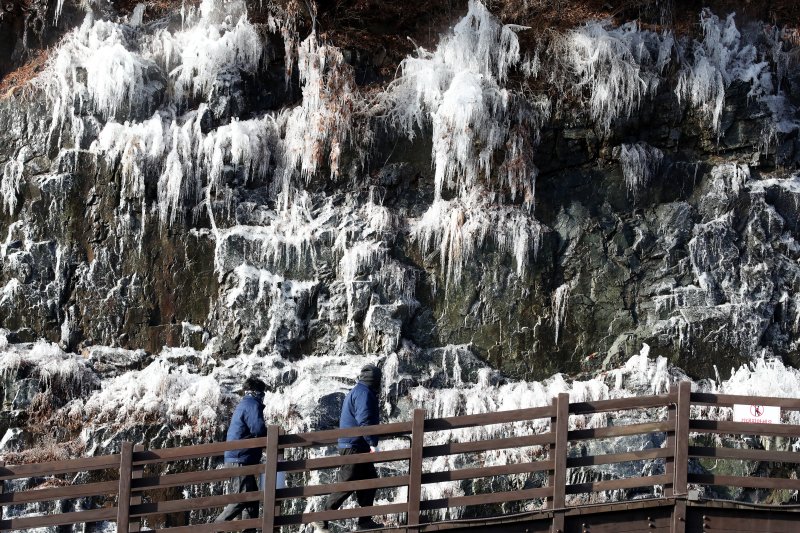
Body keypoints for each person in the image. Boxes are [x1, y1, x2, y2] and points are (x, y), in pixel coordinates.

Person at [314, 364, 383, 532]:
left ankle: (364, 521)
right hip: (354, 446)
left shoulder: (359, 390)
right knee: (348, 481)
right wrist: (373, 443)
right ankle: (323, 517)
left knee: (369, 481)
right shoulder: (363, 394)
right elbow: (365, 420)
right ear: (375, 380)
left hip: (355, 444)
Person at [215, 376, 268, 531]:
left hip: (238, 457)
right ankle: (214, 528)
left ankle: (249, 530)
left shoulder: (244, 404)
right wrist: (270, 435)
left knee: (251, 499)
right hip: (241, 458)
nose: (263, 396)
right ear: (256, 392)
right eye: (262, 392)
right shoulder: (252, 404)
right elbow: (258, 429)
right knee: (243, 497)